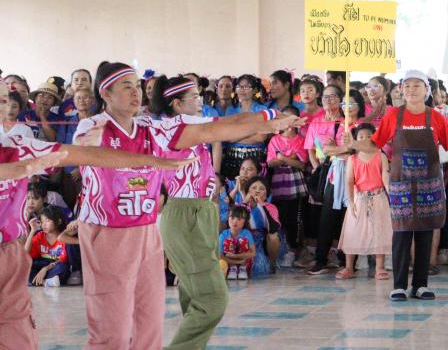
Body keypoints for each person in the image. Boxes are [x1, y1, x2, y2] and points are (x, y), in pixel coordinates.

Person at [72, 62, 297, 349]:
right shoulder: (91, 127)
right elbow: (96, 157)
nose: (136, 93)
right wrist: (153, 161)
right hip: (108, 230)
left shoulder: (153, 128)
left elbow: (213, 129)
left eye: (137, 86)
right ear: (106, 93)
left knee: (149, 325)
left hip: (146, 229)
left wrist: (268, 119)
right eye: (127, 87)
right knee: (112, 330)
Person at [0, 79, 195, 350]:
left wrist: (152, 160)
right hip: (103, 230)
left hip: (8, 253)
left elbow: (86, 155)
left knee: (18, 338)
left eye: (4, 100)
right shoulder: (21, 151)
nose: (4, 107)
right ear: (106, 94)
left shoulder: (17, 144)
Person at [149, 74, 301, 350]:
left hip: (202, 209)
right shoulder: (173, 127)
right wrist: (269, 119)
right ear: (176, 104)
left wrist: (274, 120)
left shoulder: (192, 123)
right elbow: (226, 128)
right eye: (194, 97)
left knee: (195, 296)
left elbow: (235, 124)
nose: (200, 101)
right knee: (214, 299)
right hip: (184, 212)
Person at [344, 69, 448, 302]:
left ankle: (420, 285)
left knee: (425, 233)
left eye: (416, 85)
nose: (411, 89)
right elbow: (375, 145)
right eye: (407, 85)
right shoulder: (393, 116)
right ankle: (399, 286)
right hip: (401, 184)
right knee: (401, 232)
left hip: (429, 184)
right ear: (401, 90)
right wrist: (354, 144)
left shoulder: (436, 117)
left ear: (426, 90)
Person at [337, 124, 392, 280]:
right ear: (355, 140)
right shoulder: (352, 159)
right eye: (361, 137)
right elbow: (349, 181)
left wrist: (392, 197)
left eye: (369, 136)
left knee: (379, 231)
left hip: (379, 198)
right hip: (358, 199)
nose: (365, 139)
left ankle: (380, 267)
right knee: (353, 231)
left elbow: (386, 178)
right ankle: (349, 267)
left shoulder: (381, 156)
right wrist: (351, 202)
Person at [305, 85, 349, 275]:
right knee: (325, 215)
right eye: (325, 97)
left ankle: (345, 259)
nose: (328, 100)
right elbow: (310, 149)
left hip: (345, 170)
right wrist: (317, 168)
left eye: (333, 96)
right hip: (326, 171)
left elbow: (349, 149)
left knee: (345, 214)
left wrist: (334, 149)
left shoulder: (347, 122)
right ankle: (321, 259)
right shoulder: (316, 123)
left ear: (340, 100)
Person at [265, 105, 308, 266]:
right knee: (280, 216)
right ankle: (282, 248)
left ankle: (293, 249)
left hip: (296, 184)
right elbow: (270, 163)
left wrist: (282, 158)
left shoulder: (301, 140)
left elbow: (301, 164)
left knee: (294, 218)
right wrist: (290, 158)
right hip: (278, 184)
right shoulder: (274, 140)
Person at [220, 74, 271, 180]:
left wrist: (236, 134)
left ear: (255, 90)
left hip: (256, 156)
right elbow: (227, 137)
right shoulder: (230, 110)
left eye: (246, 87)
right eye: (239, 86)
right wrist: (252, 132)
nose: (242, 90)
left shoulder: (261, 110)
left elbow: (261, 137)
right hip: (232, 157)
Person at [26, 205, 70, 286]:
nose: (44, 225)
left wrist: (45, 269)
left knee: (62, 267)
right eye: (42, 222)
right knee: (26, 265)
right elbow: (25, 254)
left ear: (59, 221)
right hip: (42, 264)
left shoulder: (64, 237)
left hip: (55, 265)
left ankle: (40, 281)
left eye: (47, 220)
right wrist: (32, 231)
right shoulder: (40, 236)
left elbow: (62, 260)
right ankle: (47, 281)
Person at [219, 205, 256, 280]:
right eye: (232, 218)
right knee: (228, 241)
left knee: (242, 241)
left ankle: (242, 269)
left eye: (239, 219)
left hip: (244, 263)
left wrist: (236, 256)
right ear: (228, 218)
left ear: (245, 222)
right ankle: (232, 269)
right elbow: (220, 256)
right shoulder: (223, 235)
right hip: (229, 263)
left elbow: (253, 253)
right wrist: (236, 262)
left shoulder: (246, 233)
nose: (235, 221)